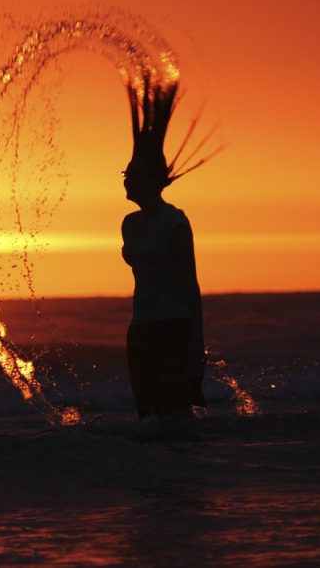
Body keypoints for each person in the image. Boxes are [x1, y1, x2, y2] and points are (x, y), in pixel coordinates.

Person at [121, 79, 207, 418]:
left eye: (133, 174)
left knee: (175, 413)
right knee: (147, 412)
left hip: (173, 324)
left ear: (152, 179)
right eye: (125, 173)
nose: (127, 179)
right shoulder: (130, 224)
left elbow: (191, 285)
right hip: (141, 324)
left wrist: (196, 343)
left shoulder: (175, 223)